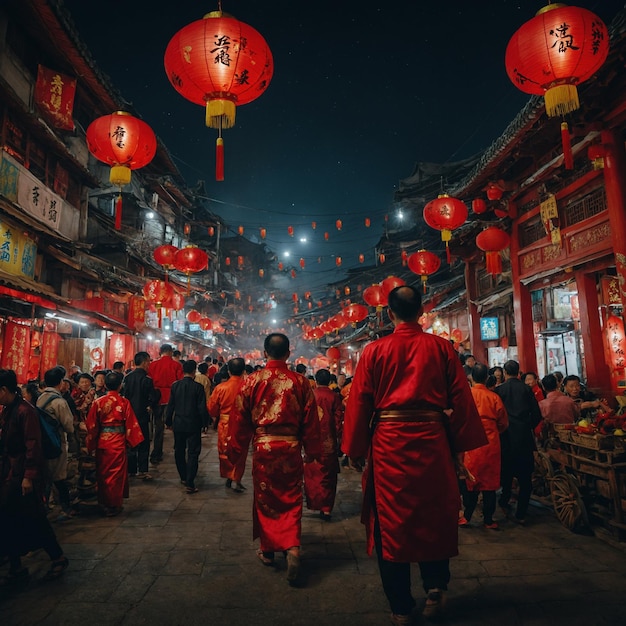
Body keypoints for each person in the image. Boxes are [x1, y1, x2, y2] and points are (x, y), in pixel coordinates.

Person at [342, 286, 486, 624]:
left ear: (389, 314)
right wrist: (460, 446)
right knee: (434, 514)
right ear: (420, 312)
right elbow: (462, 400)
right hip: (433, 441)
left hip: (389, 443)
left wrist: (355, 447)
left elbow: (359, 401)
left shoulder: (374, 350)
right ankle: (436, 587)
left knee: (391, 522)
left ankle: (401, 606)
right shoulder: (442, 348)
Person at [228, 333, 321, 585]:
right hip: (291, 448)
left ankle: (268, 551)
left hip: (264, 448)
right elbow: (312, 421)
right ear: (289, 354)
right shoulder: (301, 382)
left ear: (264, 352)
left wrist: (234, 451)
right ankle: (292, 547)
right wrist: (313, 450)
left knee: (266, 498)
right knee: (291, 498)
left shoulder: (251, 381)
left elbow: (239, 420)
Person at [0, 369, 69, 584]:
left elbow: (33, 445)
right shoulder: (9, 410)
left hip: (23, 475)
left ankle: (57, 557)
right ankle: (15, 565)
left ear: (3, 390)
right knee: (9, 518)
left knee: (35, 518)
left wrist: (28, 476)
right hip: (11, 473)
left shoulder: (24, 411)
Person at [85, 372, 144, 516]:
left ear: (105, 385)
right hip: (118, 441)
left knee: (103, 474)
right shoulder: (124, 402)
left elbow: (91, 426)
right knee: (116, 476)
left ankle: (104, 503)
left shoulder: (98, 402)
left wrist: (91, 443)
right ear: (120, 386)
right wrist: (131, 442)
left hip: (103, 442)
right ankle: (114, 504)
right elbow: (131, 425)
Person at [460, 363, 508, 530]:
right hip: (491, 443)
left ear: (471, 377)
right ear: (488, 378)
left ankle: (466, 516)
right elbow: (503, 422)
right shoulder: (494, 397)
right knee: (490, 484)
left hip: (471, 442)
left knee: (470, 479)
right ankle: (488, 520)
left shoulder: (466, 396)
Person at [495, 360, 542, 526]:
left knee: (506, 472)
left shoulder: (499, 390)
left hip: (505, 436)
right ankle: (521, 512)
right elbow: (537, 414)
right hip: (523, 437)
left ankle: (504, 500)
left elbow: (496, 414)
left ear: (505, 373)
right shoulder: (526, 389)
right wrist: (526, 425)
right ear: (519, 373)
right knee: (525, 477)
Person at [165, 360, 209, 494]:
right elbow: (202, 408)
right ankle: (190, 481)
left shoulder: (175, 386)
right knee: (193, 453)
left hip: (178, 424)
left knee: (179, 450)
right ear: (193, 371)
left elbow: (170, 405)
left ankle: (183, 476)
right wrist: (204, 423)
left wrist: (168, 422)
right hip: (193, 424)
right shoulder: (198, 387)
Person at [304, 368, 343, 521]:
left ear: (316, 379)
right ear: (330, 381)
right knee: (328, 475)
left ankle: (315, 503)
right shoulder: (334, 396)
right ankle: (327, 509)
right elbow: (338, 421)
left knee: (312, 473)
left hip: (311, 440)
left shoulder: (310, 395)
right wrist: (338, 437)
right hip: (329, 441)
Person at [37, 366, 75, 522]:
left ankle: (43, 507)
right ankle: (66, 509)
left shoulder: (40, 398)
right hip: (56, 442)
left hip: (42, 442)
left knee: (46, 476)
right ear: (61, 382)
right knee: (59, 477)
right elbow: (69, 426)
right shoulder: (59, 402)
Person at [208, 358, 247, 493]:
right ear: (243, 371)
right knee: (241, 453)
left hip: (225, 424)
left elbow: (212, 408)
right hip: (243, 424)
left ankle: (230, 476)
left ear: (229, 371)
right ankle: (236, 478)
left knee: (225, 451)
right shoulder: (247, 386)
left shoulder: (221, 388)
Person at [121, 352, 160, 480]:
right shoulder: (147, 379)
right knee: (143, 442)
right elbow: (153, 397)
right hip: (142, 414)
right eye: (148, 361)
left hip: (129, 415)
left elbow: (125, 395)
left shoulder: (127, 378)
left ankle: (131, 470)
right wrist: (150, 404)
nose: (149, 364)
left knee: (131, 441)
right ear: (143, 362)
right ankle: (143, 470)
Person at [148, 344, 183, 465]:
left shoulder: (152, 365)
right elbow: (179, 382)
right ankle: (178, 449)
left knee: (158, 426)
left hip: (156, 398)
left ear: (160, 352)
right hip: (172, 398)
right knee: (175, 426)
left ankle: (156, 452)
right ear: (171, 352)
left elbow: (149, 382)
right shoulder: (177, 365)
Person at [195, 361, 212, 433]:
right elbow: (208, 390)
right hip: (205, 399)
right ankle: (204, 427)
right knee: (204, 414)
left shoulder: (196, 377)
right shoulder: (206, 379)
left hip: (196, 399)